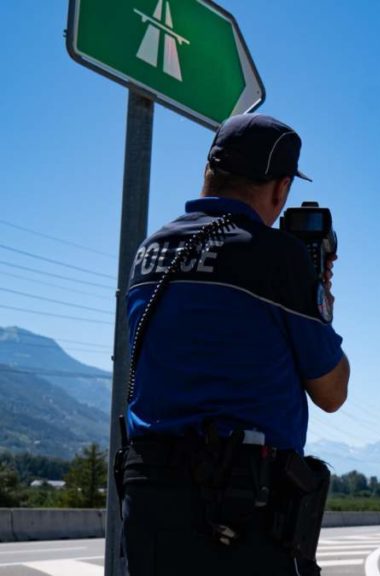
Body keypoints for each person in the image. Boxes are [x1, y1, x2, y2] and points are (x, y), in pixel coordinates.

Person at [119, 113, 351, 576]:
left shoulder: (150, 252)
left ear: (209, 171)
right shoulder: (276, 257)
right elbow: (332, 392)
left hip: (149, 502)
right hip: (240, 513)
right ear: (281, 189)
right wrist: (318, 301)